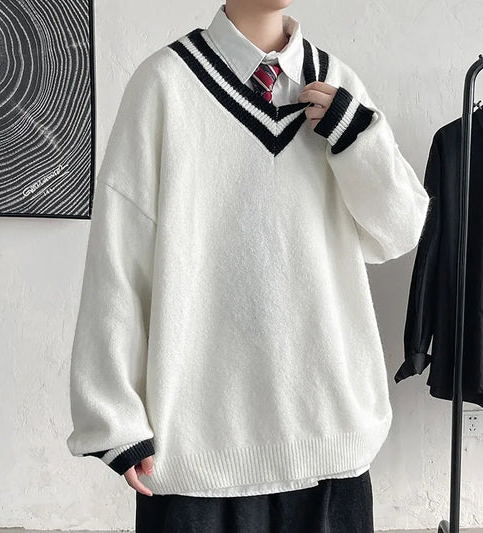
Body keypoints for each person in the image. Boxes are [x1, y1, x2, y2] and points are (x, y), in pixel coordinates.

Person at [66, 1, 430, 531]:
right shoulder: (164, 84)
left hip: (330, 438)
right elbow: (118, 261)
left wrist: (357, 139)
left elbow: (398, 232)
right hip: (197, 451)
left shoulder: (337, 84)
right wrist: (114, 417)